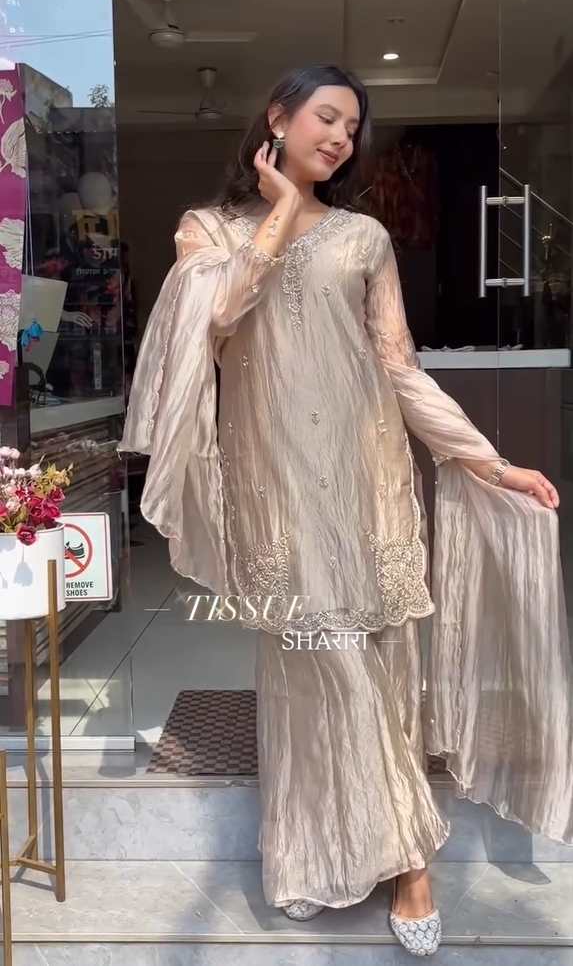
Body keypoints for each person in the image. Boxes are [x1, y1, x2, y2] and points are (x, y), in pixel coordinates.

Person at [119, 65, 572, 958]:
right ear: (277, 117)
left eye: (351, 127)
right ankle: (312, 853)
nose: (339, 137)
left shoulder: (365, 237)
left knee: (380, 671)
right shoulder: (206, 230)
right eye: (325, 117)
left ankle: (407, 865)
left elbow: (398, 368)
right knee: (312, 673)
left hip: (365, 484)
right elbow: (214, 319)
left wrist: (487, 460)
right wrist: (282, 209)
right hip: (273, 494)